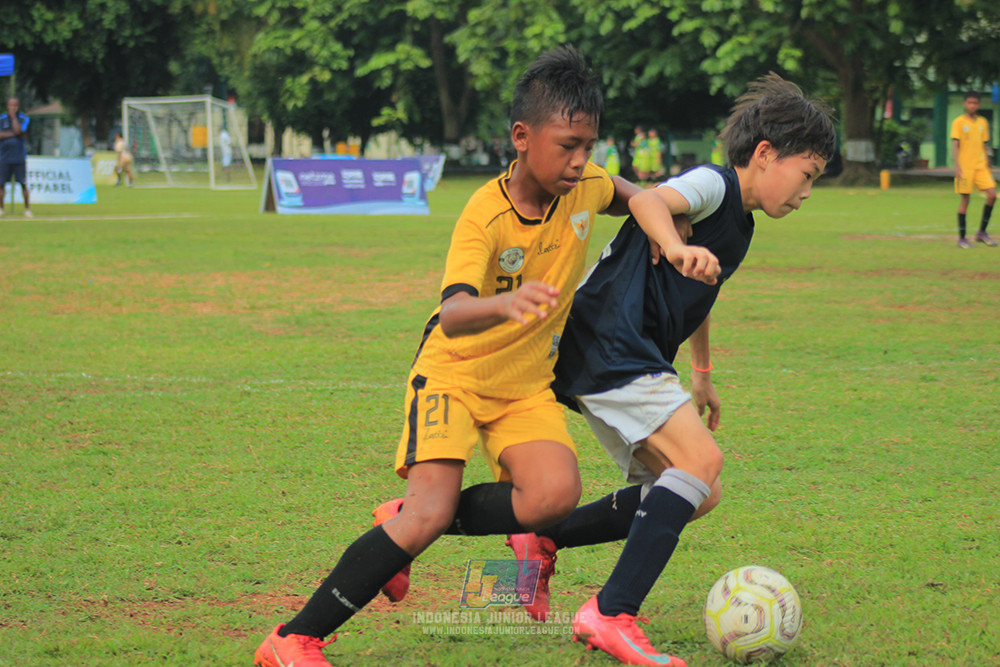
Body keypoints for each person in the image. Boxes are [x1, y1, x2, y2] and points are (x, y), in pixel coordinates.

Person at [253, 45, 718, 667]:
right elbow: (452, 312)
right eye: (568, 145)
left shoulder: (586, 189)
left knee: (553, 497)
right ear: (522, 137)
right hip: (454, 375)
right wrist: (507, 304)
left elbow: (645, 197)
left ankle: (408, 520)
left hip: (524, 388)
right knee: (427, 515)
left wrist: (673, 240)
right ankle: (292, 639)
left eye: (589, 146)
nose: (581, 162)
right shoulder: (485, 213)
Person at [505, 73, 837, 667]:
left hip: (624, 350)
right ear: (765, 155)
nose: (808, 191)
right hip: (610, 338)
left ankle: (542, 538)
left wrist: (702, 370)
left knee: (697, 491)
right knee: (702, 462)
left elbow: (700, 291)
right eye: (807, 174)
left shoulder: (742, 223)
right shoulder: (713, 184)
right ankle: (611, 612)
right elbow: (649, 198)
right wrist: (674, 239)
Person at [952, 91, 997, 247]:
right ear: (965, 104)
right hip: (965, 168)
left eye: (975, 103)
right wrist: (957, 167)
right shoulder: (958, 122)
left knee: (992, 194)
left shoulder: (982, 122)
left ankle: (981, 233)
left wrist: (988, 164)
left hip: (981, 167)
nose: (972, 105)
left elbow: (984, 145)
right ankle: (962, 238)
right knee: (965, 200)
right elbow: (955, 145)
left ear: (979, 105)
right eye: (970, 102)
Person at [0, 97, 32, 217]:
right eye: (10, 105)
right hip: (4, 157)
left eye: (15, 105)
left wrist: (13, 118)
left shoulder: (24, 119)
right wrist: (12, 134)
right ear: (7, 106)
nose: (12, 108)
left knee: (23, 184)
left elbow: (19, 131)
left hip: (19, 157)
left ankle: (27, 209)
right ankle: (1, 209)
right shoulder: (2, 119)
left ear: (18, 107)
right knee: (1, 184)